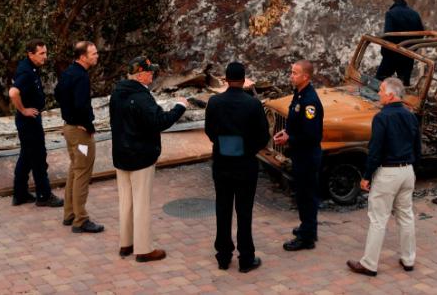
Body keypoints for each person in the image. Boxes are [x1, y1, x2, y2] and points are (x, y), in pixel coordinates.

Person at [109, 56, 189, 262]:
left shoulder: (118, 92)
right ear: (141, 74)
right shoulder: (141, 97)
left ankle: (125, 243)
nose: (152, 74)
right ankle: (143, 249)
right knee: (142, 203)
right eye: (150, 71)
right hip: (140, 155)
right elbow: (160, 121)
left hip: (121, 153)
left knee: (126, 201)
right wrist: (180, 106)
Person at [347, 77, 420, 277]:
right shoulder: (411, 116)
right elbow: (418, 147)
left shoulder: (382, 117)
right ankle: (409, 259)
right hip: (407, 171)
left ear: (390, 95)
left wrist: (366, 176)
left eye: (380, 90)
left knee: (378, 219)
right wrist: (413, 169)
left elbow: (375, 150)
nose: (378, 93)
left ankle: (369, 264)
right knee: (406, 216)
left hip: (388, 173)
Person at [205, 61, 270, 273]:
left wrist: (224, 144)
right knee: (244, 212)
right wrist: (247, 149)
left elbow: (209, 131)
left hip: (222, 164)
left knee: (222, 210)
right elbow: (263, 136)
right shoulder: (253, 104)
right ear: (244, 80)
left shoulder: (214, 102)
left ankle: (223, 256)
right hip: (245, 166)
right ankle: (246, 257)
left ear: (225, 79)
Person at [273, 59, 323, 251]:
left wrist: (290, 139)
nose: (291, 75)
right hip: (301, 154)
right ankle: (308, 228)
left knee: (306, 195)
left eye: (295, 73)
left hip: (307, 156)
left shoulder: (310, 102)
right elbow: (296, 123)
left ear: (306, 77)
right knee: (303, 194)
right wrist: (287, 133)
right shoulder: (300, 95)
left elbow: (311, 134)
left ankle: (307, 237)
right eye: (291, 72)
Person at [54, 41, 104, 233]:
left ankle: (69, 214)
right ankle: (80, 220)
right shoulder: (81, 77)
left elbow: (57, 93)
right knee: (82, 173)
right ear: (83, 57)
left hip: (69, 128)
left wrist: (70, 115)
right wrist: (87, 125)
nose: (96, 56)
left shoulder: (68, 72)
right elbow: (82, 105)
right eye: (93, 54)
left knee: (75, 171)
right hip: (80, 133)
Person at [9, 39, 63, 208]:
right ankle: (43, 195)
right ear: (30, 54)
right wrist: (23, 110)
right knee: (38, 157)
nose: (45, 57)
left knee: (26, 156)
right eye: (41, 53)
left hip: (29, 120)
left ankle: (20, 193)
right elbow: (13, 92)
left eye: (45, 52)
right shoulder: (26, 72)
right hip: (28, 121)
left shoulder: (30, 67)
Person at [375, 0, 424, 86]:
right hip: (408, 55)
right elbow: (421, 34)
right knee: (404, 85)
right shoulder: (415, 14)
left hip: (392, 54)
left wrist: (384, 53)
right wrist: (411, 49)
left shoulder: (391, 13)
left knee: (379, 80)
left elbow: (388, 34)